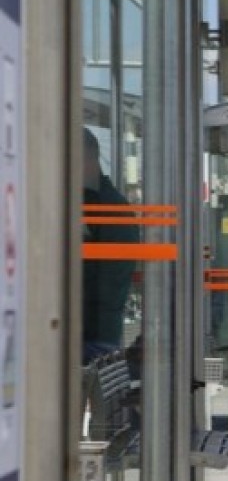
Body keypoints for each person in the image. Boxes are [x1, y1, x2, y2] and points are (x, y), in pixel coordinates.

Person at [82, 128, 139, 364]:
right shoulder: (103, 204)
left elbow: (104, 283)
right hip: (97, 333)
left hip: (92, 336)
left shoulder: (104, 208)